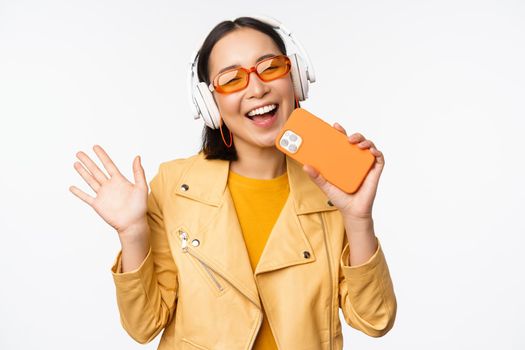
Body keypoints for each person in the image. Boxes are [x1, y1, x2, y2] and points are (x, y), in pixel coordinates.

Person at [69, 16, 396, 350]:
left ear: (295, 76)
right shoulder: (174, 186)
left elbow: (374, 319)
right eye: (232, 79)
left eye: (270, 67)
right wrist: (132, 233)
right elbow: (144, 325)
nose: (257, 89)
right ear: (210, 105)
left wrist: (358, 220)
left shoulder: (332, 189)